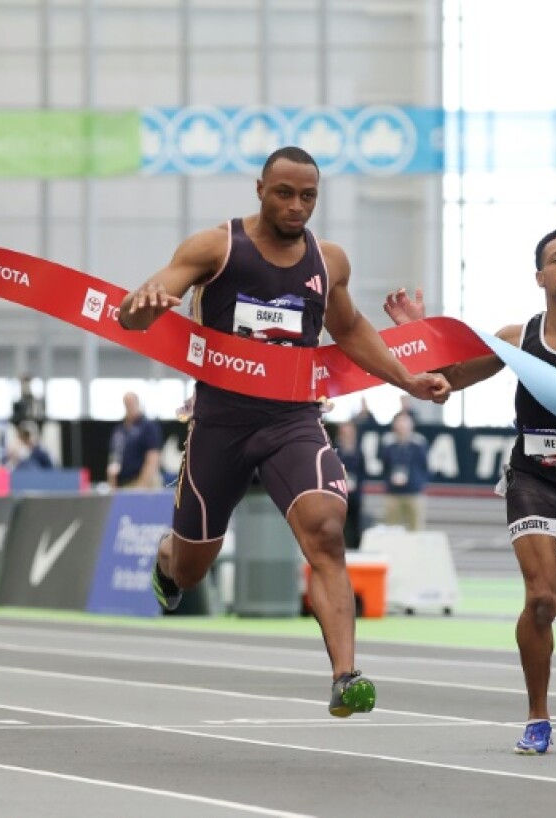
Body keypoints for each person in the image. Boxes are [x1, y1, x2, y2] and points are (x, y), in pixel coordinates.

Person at [119, 146, 451, 718]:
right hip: (219, 424)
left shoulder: (329, 262)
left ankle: (345, 676)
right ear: (259, 189)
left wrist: (407, 379)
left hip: (291, 420)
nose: (297, 206)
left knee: (326, 528)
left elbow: (348, 329)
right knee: (193, 570)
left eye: (308, 196)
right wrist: (143, 304)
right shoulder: (216, 247)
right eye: (284, 193)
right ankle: (167, 555)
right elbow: (137, 310)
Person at [383, 227, 556, 754]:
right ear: (541, 276)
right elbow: (453, 377)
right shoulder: (517, 339)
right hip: (531, 477)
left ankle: (540, 659)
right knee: (539, 598)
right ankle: (538, 715)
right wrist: (417, 334)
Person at [379, 411, 429, 531]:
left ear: (411, 425)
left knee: (416, 529)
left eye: (405, 422)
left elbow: (424, 466)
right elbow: (385, 465)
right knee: (391, 529)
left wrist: (418, 483)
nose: (402, 425)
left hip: (414, 493)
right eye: (399, 422)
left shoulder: (419, 443)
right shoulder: (388, 443)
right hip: (393, 493)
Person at [107, 392, 164, 490]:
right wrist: (112, 482)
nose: (130, 406)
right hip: (123, 483)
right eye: (127, 403)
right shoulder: (120, 430)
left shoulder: (147, 427)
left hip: (143, 482)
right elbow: (114, 456)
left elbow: (153, 457)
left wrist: (141, 486)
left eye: (132, 403)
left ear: (137, 403)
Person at [333, 420, 365, 549]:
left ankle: (355, 547)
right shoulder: (336, 451)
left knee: (356, 523)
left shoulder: (358, 452)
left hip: (355, 494)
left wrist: (358, 487)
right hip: (340, 494)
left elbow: (363, 472)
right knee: (340, 524)